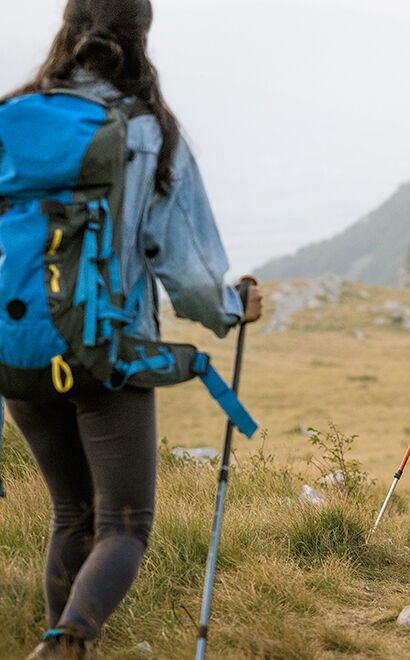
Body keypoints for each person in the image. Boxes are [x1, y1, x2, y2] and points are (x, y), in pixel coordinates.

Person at [1, 1, 263, 657]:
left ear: (68, 30)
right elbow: (188, 272)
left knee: (71, 514)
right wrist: (233, 311)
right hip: (105, 354)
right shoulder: (148, 130)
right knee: (124, 524)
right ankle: (65, 641)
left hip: (19, 347)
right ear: (141, 38)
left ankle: (61, 647)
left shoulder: (15, 116)